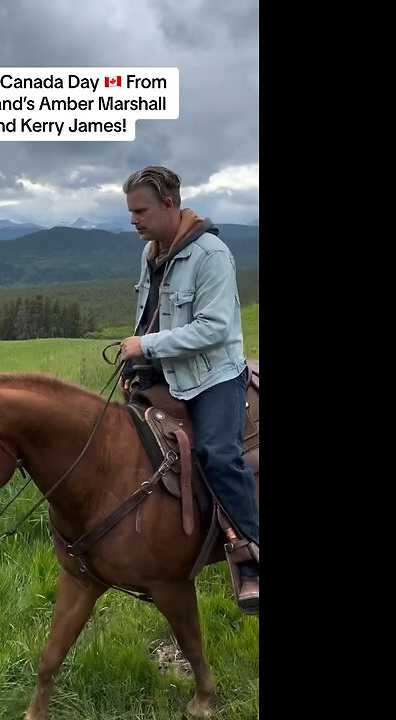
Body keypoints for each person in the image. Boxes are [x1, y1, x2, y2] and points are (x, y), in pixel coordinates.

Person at [116, 165, 260, 613]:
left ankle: (251, 553)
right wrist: (137, 360)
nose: (133, 220)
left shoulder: (212, 255)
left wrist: (148, 344)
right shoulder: (151, 252)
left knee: (218, 454)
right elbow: (150, 314)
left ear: (169, 204)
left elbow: (214, 329)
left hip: (214, 376)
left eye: (140, 210)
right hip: (166, 371)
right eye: (130, 211)